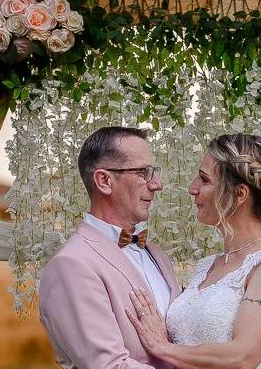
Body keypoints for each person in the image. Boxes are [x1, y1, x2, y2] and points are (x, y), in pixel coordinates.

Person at [127, 133, 261, 369]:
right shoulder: (205, 267)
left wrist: (163, 348)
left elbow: (242, 357)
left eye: (204, 180)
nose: (192, 188)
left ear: (239, 194)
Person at [39, 126, 181, 369]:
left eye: (154, 172)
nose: (157, 184)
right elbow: (109, 366)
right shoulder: (72, 265)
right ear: (104, 181)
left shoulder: (156, 254)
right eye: (143, 172)